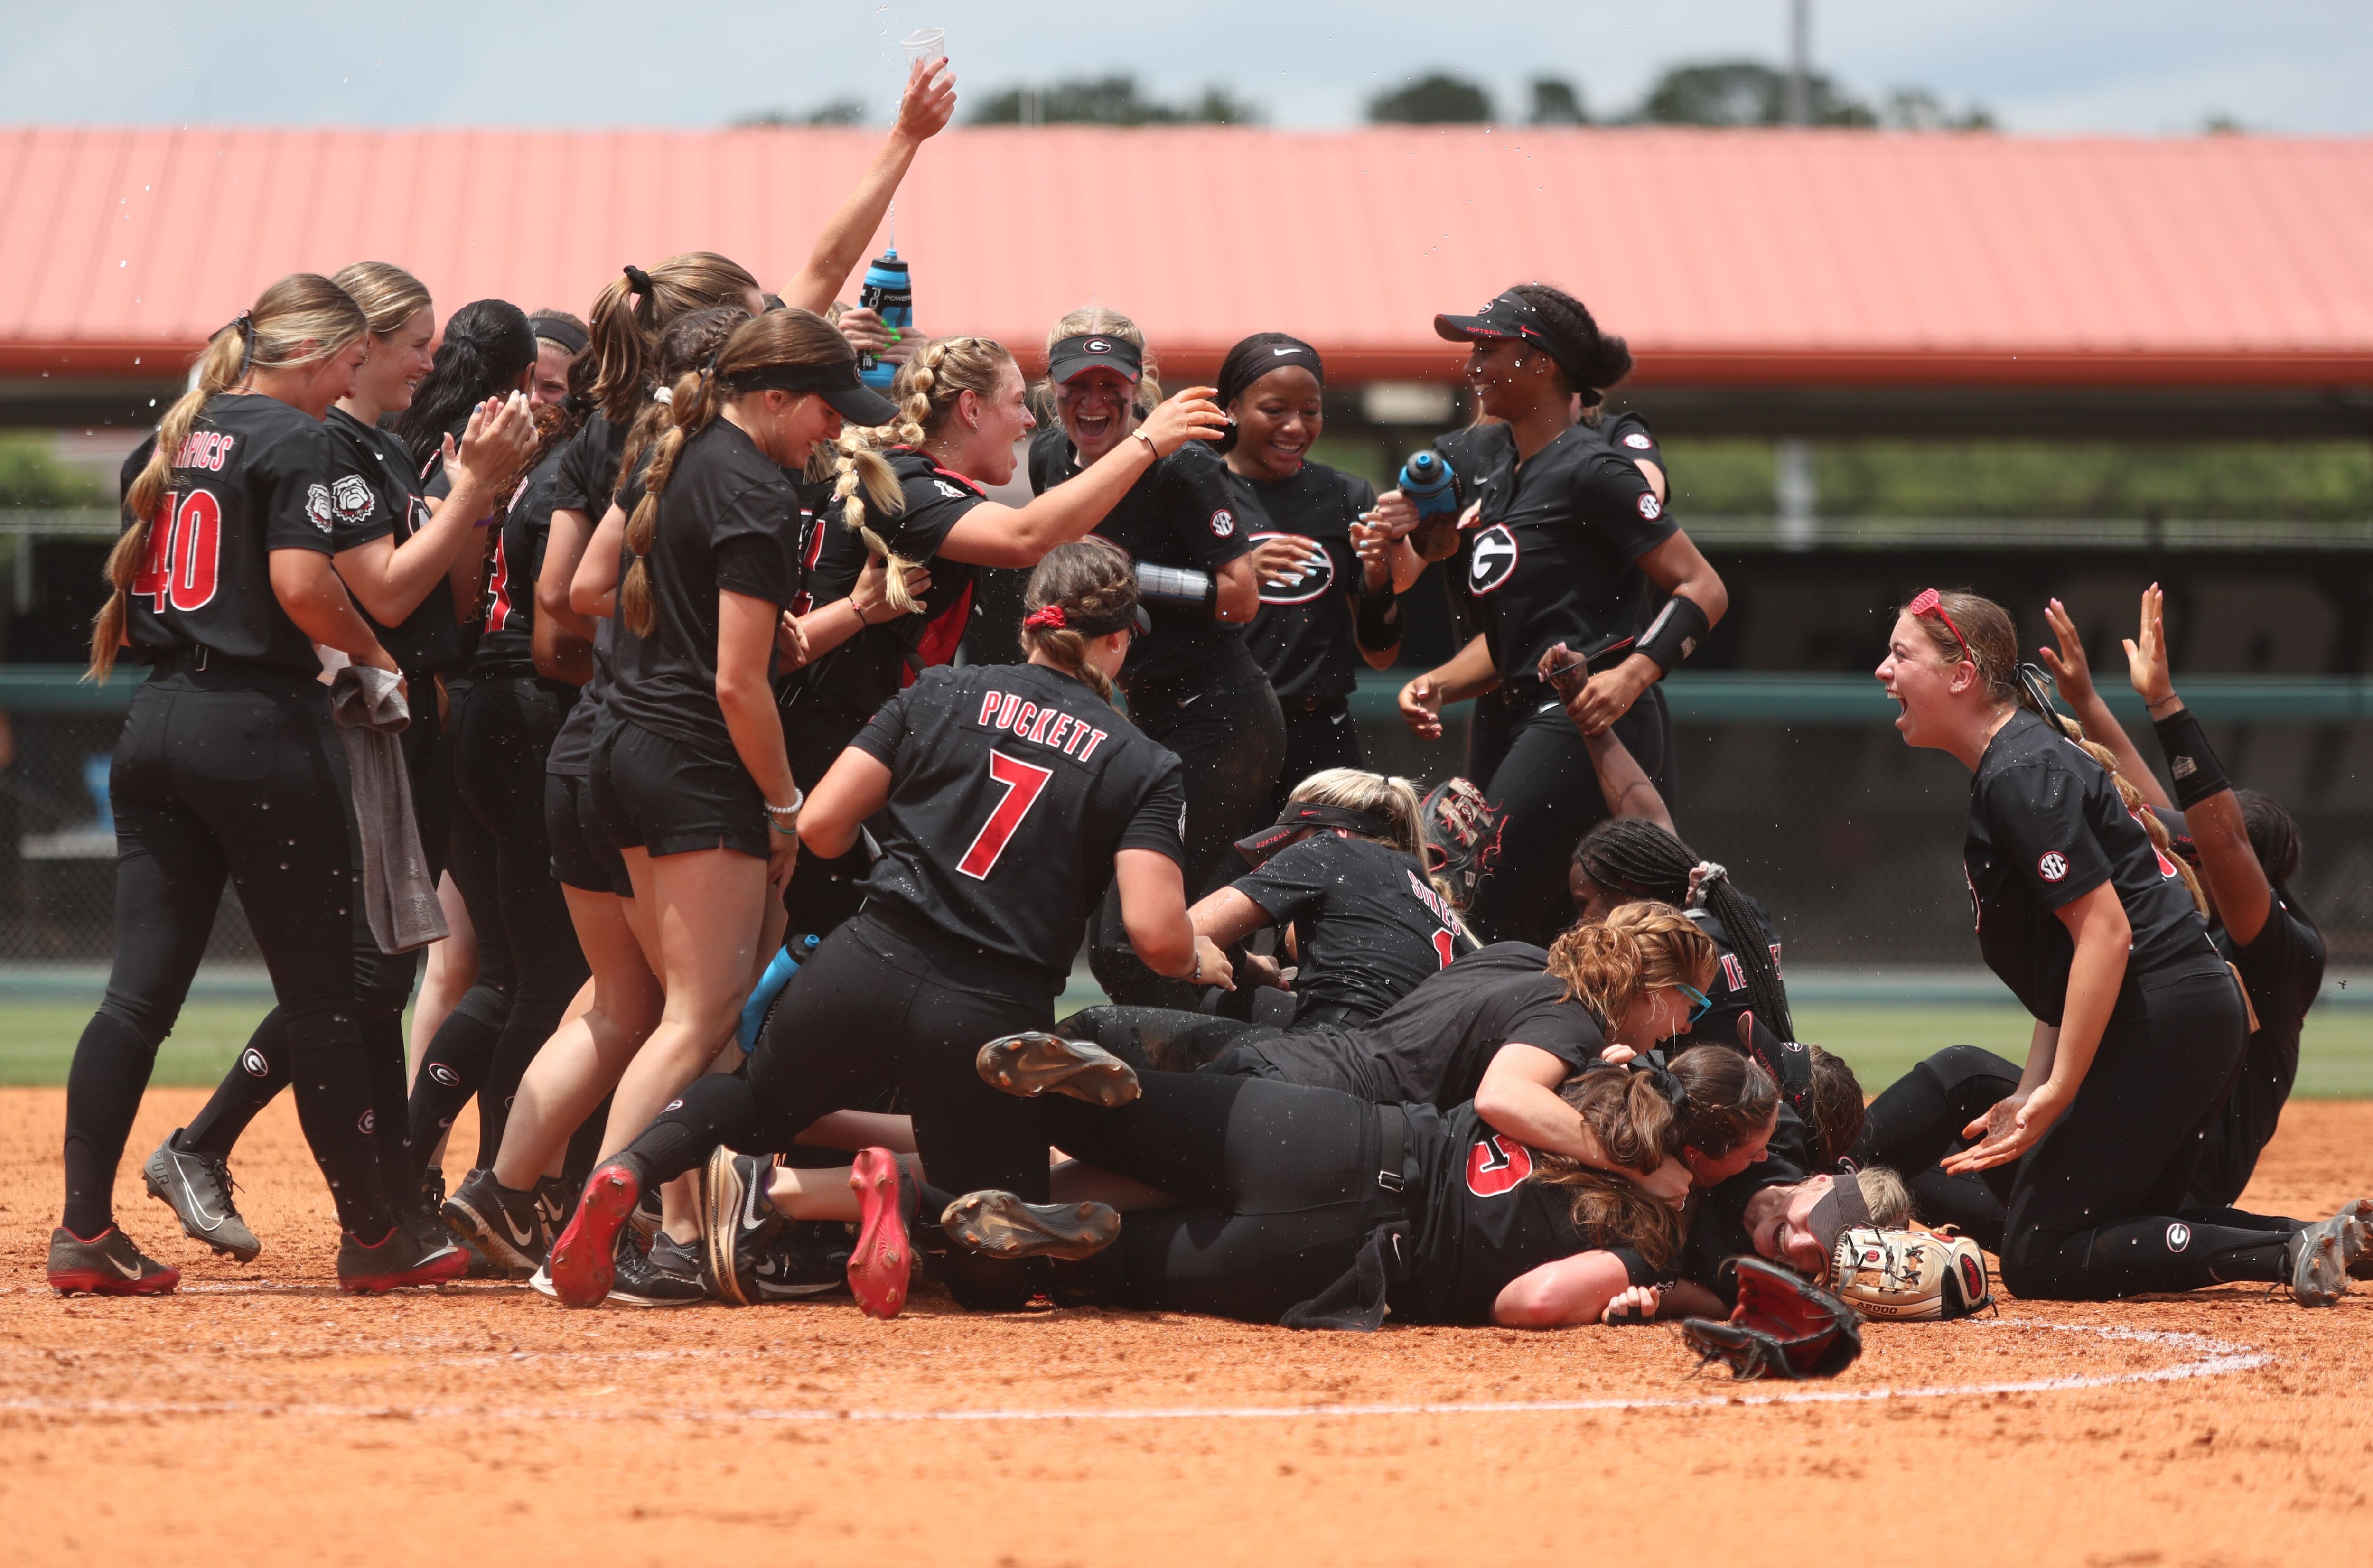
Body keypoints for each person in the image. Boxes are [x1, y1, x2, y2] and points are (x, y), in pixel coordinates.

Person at [548, 541, 1226, 1312]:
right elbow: (1154, 933)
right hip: (987, 1012)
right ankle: (897, 1202)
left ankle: (632, 1166)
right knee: (994, 1271)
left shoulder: (940, 689)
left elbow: (826, 823)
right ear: (1117, 638)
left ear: (1032, 626)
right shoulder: (1143, 760)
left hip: (866, 958)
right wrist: (1198, 951)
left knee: (755, 1098)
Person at [54, 276, 461, 1295]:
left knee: (135, 997)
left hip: (155, 722)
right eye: (355, 358)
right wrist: (380, 658)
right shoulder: (301, 438)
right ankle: (376, 1234)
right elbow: (299, 586)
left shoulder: (178, 435)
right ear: (326, 354)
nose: (361, 372)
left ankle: (84, 1230)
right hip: (254, 727)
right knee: (326, 998)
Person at [147, 268, 536, 1261]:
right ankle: (210, 1141)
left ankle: (385, 1201)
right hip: (339, 721)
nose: (428, 360)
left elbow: (424, 589)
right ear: (347, 349)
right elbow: (386, 596)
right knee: (359, 972)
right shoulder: (330, 442)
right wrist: (473, 498)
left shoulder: (369, 447)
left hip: (377, 719)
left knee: (381, 971)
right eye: (411, 343)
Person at [1876, 586, 2361, 1305]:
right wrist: (2035, 1086)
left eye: (1900, 654)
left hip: (2164, 1031)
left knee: (2038, 1258)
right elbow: (2070, 953)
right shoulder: (2024, 765)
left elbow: (2107, 929)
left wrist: (2059, 1090)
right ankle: (2309, 1244)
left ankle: (2287, 1247)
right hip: (2176, 1023)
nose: (1884, 672)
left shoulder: (2021, 773)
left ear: (1961, 674)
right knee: (2020, 1174)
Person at [778, 1041, 1775, 1329]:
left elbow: (1500, 1090)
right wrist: (1663, 1288)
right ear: (1713, 1151)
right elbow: (1531, 1299)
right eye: (1754, 1150)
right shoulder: (1652, 1231)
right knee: (1116, 1264)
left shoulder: (1606, 1082)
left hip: (1336, 1134)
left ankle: (1097, 1090)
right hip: (1348, 1257)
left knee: (1121, 1119)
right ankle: (1074, 1241)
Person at [776, 335, 1228, 939]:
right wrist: (1148, 443)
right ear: (970, 409)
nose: (1026, 420)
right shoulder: (909, 482)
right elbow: (1025, 538)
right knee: (788, 966)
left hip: (817, 744)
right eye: (1017, 402)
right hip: (810, 752)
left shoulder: (905, 473)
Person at [1381, 284, 1728, 946]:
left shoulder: (1593, 467)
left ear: (1543, 364)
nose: (1474, 364)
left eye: (1490, 348)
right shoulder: (1504, 474)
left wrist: (1630, 677)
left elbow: (1703, 587)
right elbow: (1521, 637)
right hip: (1512, 709)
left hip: (1585, 710)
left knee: (1471, 895)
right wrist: (1438, 686)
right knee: (1522, 929)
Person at [1051, 903, 1714, 1208]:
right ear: (1656, 991)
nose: (1687, 1025)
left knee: (1157, 1179)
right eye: (1695, 1005)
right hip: (1313, 1116)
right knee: (1178, 1191)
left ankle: (1017, 1192)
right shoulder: (1569, 1018)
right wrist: (1636, 1165)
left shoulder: (1524, 960)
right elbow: (1504, 1098)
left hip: (1293, 1064)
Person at [1026, 309, 1280, 1010]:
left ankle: (1238, 1077)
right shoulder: (1049, 458)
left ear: (1140, 387)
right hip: (1139, 722)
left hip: (1223, 720)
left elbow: (1241, 596)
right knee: (1094, 915)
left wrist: (1129, 578)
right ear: (1052, 387)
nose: (1094, 402)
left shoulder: (1183, 464)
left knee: (1130, 946)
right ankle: (1258, 1018)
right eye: (1077, 384)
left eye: (1112, 384)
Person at [1208, 334, 1400, 812]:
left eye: (1310, 410)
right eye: (1274, 410)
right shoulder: (1197, 489)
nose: (1294, 426)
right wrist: (1237, 574)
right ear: (1232, 408)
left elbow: (1380, 655)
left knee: (1338, 877)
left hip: (1322, 735)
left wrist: (1377, 575)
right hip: (1222, 728)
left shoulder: (1346, 496)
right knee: (1217, 884)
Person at [1189, 767, 1475, 1028]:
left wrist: (1244, 964)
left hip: (1339, 1055)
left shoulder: (1330, 850)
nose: (1281, 858)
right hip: (1409, 1065)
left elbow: (1186, 932)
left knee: (1221, 1002)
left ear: (1340, 833)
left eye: (1292, 843)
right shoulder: (1445, 916)